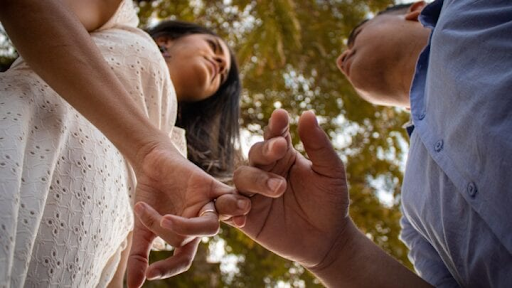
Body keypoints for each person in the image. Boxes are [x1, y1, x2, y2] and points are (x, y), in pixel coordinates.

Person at [144, 0, 512, 286]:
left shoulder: (472, 13)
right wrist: (334, 251)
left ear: (416, 11)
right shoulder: (414, 212)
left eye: (356, 35)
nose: (340, 58)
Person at [0, 0, 250, 287]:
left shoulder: (176, 154)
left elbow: (124, 257)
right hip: (19, 146)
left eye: (223, 74)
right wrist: (149, 149)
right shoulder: (121, 18)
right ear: (166, 39)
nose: (220, 63)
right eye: (214, 48)